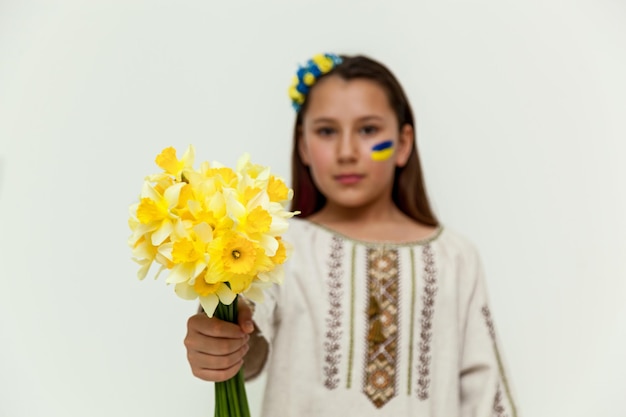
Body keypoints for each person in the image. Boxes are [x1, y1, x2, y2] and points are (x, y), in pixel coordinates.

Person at [184, 53, 517, 416]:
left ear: (403, 143)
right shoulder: (277, 245)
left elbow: (485, 392)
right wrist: (223, 332)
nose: (346, 152)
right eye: (327, 131)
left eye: (368, 130)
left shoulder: (455, 257)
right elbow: (249, 347)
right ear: (304, 146)